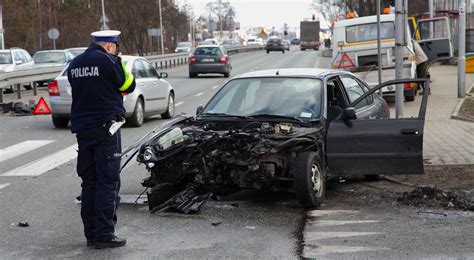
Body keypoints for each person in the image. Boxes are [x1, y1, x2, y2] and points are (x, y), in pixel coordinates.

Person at [67, 30, 136, 249]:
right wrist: (120, 62)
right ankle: (105, 235)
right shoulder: (109, 60)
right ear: (110, 46)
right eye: (115, 48)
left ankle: (91, 234)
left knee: (90, 183)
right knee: (108, 182)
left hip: (83, 130)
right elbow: (128, 85)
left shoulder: (75, 64)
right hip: (106, 130)